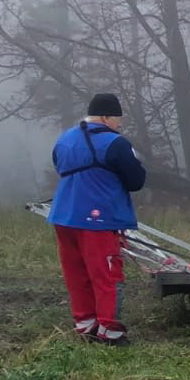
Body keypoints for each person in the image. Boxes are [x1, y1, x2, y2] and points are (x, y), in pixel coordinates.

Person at [46, 93, 146, 345]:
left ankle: (86, 325)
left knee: (76, 273)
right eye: (117, 120)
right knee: (106, 274)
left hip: (64, 217)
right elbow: (136, 181)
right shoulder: (116, 143)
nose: (119, 125)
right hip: (98, 219)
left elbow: (59, 167)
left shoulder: (64, 140)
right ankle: (110, 332)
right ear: (104, 117)